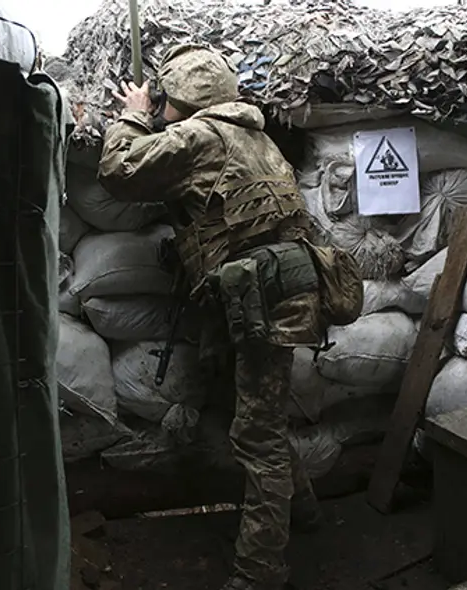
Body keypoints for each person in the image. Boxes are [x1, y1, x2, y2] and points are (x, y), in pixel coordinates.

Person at [97, 44, 326, 590]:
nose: (159, 107)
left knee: (257, 436)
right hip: (270, 293)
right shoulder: (258, 137)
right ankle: (308, 513)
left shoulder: (198, 135)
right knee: (261, 415)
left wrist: (131, 114)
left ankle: (259, 573)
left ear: (184, 98)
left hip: (259, 300)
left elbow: (117, 169)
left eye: (164, 97)